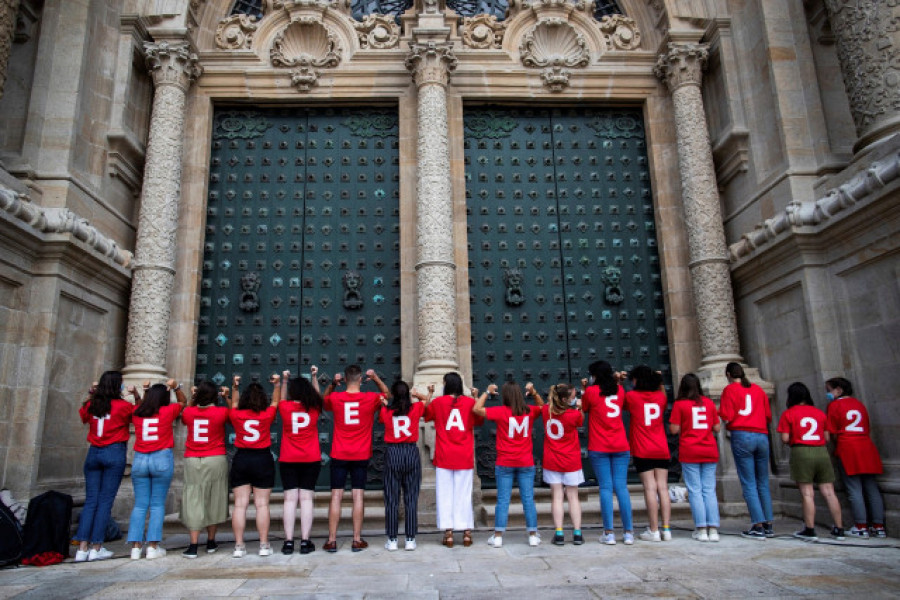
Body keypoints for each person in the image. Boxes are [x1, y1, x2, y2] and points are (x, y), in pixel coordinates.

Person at [321, 365, 389, 552]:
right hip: (360, 453)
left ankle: (332, 540)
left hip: (339, 453)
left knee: (336, 496)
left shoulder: (336, 397)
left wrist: (333, 385)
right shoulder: (370, 398)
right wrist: (375, 378)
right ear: (360, 379)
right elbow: (387, 395)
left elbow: (324, 400)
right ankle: (356, 539)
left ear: (344, 379)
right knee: (358, 496)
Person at [473, 381, 543, 548]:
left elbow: (476, 409)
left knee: (503, 500)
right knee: (528, 499)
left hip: (505, 461)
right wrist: (533, 392)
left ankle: (498, 536)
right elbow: (542, 407)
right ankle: (533, 534)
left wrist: (486, 392)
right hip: (525, 461)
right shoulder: (529, 411)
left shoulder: (500, 412)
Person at [74, 371, 135, 562]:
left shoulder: (92, 405)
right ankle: (97, 546)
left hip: (93, 453)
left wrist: (91, 394)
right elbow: (138, 416)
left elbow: (83, 416)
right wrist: (133, 397)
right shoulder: (123, 406)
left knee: (91, 501)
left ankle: (82, 548)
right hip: (113, 453)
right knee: (105, 501)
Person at [777, 382, 845, 541]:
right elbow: (827, 437)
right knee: (829, 491)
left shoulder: (789, 413)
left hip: (801, 451)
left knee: (807, 493)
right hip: (821, 451)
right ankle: (839, 528)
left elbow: (785, 438)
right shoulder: (819, 413)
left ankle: (809, 529)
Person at [128, 379, 187, 559]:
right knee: (157, 504)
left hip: (140, 460)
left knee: (139, 505)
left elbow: (139, 405)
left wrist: (138, 395)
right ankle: (153, 546)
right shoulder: (167, 411)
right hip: (160, 458)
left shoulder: (137, 412)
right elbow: (183, 402)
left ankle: (136, 547)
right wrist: (176, 387)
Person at [424, 371, 483, 548]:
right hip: (463, 455)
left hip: (444, 455)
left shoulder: (438, 402)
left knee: (444, 494)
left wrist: (429, 394)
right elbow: (479, 419)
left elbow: (425, 413)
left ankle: (448, 532)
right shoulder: (469, 402)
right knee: (463, 494)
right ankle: (466, 532)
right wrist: (476, 397)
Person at [228, 372, 283, 558]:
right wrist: (277, 385)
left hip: (242, 458)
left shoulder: (236, 414)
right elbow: (275, 402)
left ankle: (238, 546)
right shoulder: (267, 415)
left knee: (240, 505)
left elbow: (234, 403)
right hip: (262, 458)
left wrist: (235, 387)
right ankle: (264, 544)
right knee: (262, 504)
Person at [718, 362, 775, 539]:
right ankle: (768, 525)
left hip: (742, 436)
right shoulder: (758, 390)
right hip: (762, 436)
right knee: (763, 482)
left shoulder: (730, 390)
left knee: (749, 483)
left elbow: (726, 414)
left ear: (728, 374)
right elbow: (768, 415)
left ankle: (757, 525)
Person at [825, 377, 885, 539]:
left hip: (848, 447)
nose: (828, 394)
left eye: (829, 390)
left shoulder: (835, 406)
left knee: (854, 489)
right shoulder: (859, 404)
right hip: (866, 446)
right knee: (872, 488)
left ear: (839, 390)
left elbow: (832, 431)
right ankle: (879, 526)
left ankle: (861, 525)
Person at [582, 360, 634, 545]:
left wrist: (584, 389)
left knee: (605, 487)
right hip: (620, 445)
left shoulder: (591, 392)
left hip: (599, 446)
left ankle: (609, 532)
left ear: (594, 375)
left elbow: (585, 408)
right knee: (621, 487)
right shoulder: (620, 391)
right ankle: (628, 532)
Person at [379, 381, 434, 551]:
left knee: (392, 499)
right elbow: (428, 403)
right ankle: (410, 538)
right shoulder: (415, 409)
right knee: (411, 498)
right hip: (410, 451)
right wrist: (423, 394)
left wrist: (384, 404)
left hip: (393, 453)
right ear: (408, 394)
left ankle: (393, 539)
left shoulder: (386, 411)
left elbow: (382, 419)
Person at [179, 380, 230, 558]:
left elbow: (185, 414)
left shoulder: (189, 412)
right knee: (214, 498)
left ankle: (193, 545)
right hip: (215, 458)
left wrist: (193, 398)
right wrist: (227, 397)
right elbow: (234, 414)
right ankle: (210, 541)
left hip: (193, 459)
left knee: (194, 498)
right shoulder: (221, 412)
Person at [669, 373, 721, 542]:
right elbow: (717, 427)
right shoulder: (709, 403)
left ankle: (701, 528)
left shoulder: (680, 404)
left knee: (695, 491)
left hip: (690, 450)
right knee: (709, 490)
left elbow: (674, 429)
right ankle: (713, 529)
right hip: (709, 450)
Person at [278, 366, 324, 555]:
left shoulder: (285, 408)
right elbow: (318, 396)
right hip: (310, 457)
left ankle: (288, 542)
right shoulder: (313, 409)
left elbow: (281, 399)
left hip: (288, 457)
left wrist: (285, 381)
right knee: (306, 499)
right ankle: (305, 541)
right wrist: (314, 377)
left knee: (289, 499)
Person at [625, 365, 671, 542]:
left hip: (643, 448)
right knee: (663, 488)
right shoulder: (660, 397)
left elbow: (624, 404)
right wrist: (660, 382)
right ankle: (666, 529)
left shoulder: (632, 397)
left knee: (650, 488)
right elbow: (664, 399)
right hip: (661, 447)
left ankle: (654, 529)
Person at [536, 383, 584, 545]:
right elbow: (580, 420)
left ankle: (559, 532)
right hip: (571, 460)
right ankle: (577, 533)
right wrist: (579, 407)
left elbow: (542, 405)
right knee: (573, 496)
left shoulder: (546, 412)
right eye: (572, 397)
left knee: (556, 497)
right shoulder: (573, 415)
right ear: (565, 399)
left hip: (552, 460)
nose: (574, 400)